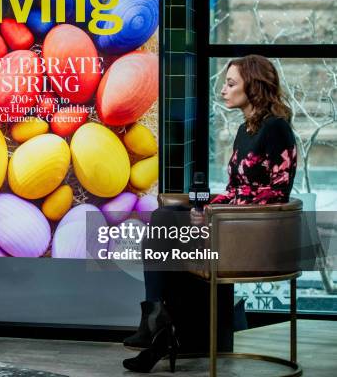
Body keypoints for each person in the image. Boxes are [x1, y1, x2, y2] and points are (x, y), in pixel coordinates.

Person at [122, 55, 298, 373]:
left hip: (252, 234)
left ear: (254, 86)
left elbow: (276, 195)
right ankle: (161, 324)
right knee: (166, 216)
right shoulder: (247, 129)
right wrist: (206, 207)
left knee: (166, 224)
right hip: (230, 221)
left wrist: (218, 212)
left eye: (231, 84)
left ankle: (158, 325)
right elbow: (238, 188)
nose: (223, 91)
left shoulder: (276, 129)